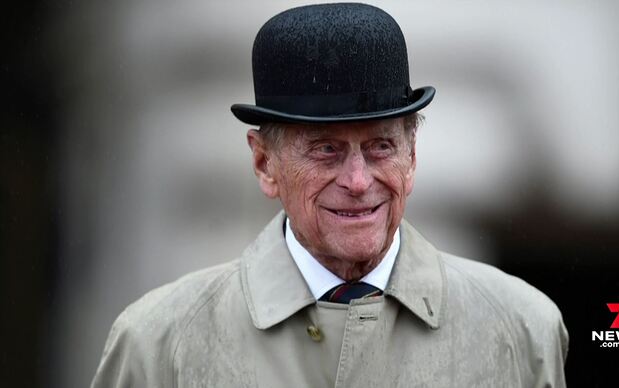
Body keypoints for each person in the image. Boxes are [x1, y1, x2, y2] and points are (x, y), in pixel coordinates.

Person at [91, 3, 568, 387]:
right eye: (325, 150)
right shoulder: (158, 344)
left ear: (413, 154)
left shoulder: (521, 329)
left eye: (381, 146)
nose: (359, 181)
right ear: (264, 163)